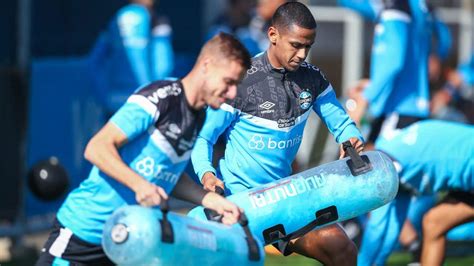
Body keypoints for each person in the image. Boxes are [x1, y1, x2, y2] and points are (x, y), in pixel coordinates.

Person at [35, 32, 251, 265]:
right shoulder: (160, 98)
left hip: (127, 239)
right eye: (229, 82)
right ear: (207, 66)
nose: (233, 93)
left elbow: (169, 175)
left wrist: (209, 199)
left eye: (237, 85)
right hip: (84, 236)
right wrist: (140, 185)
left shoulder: (197, 116)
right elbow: (97, 148)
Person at [191, 2, 364, 265]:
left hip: (284, 198)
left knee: (342, 249)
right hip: (240, 201)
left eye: (308, 46)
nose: (302, 54)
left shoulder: (313, 79)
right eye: (296, 45)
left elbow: (341, 123)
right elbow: (204, 137)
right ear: (273, 35)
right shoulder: (240, 80)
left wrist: (350, 136)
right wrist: (207, 174)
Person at [358, 119, 473, 265]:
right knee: (434, 223)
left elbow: (377, 228)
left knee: (434, 223)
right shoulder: (390, 148)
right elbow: (389, 227)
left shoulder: (386, 165)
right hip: (467, 165)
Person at [347, 0, 432, 149]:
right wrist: (372, 85)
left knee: (370, 165)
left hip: (397, 109)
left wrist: (365, 98)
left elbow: (393, 61)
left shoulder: (395, 5)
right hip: (412, 107)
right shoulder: (417, 6)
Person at [89, 0, 174, 113]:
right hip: (145, 103)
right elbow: (163, 66)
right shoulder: (158, 22)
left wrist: (104, 96)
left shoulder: (115, 19)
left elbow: (95, 62)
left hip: (115, 102)